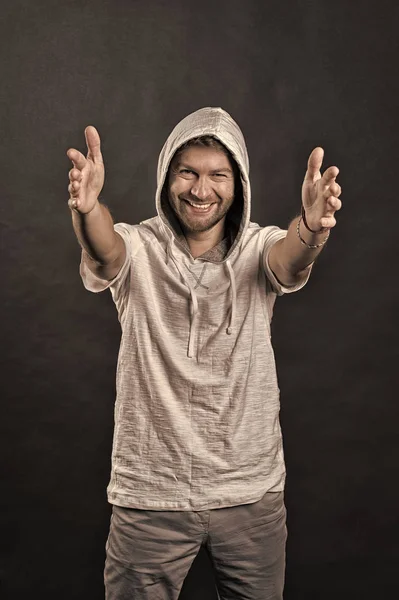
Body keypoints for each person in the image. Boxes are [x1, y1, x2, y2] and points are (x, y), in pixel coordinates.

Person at [67, 107, 342, 600]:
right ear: (167, 176)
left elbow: (290, 258)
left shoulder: (259, 248)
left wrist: (311, 227)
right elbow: (107, 249)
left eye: (218, 175)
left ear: (238, 185)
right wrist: (87, 210)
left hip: (250, 494)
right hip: (150, 492)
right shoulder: (140, 246)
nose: (200, 190)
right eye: (188, 172)